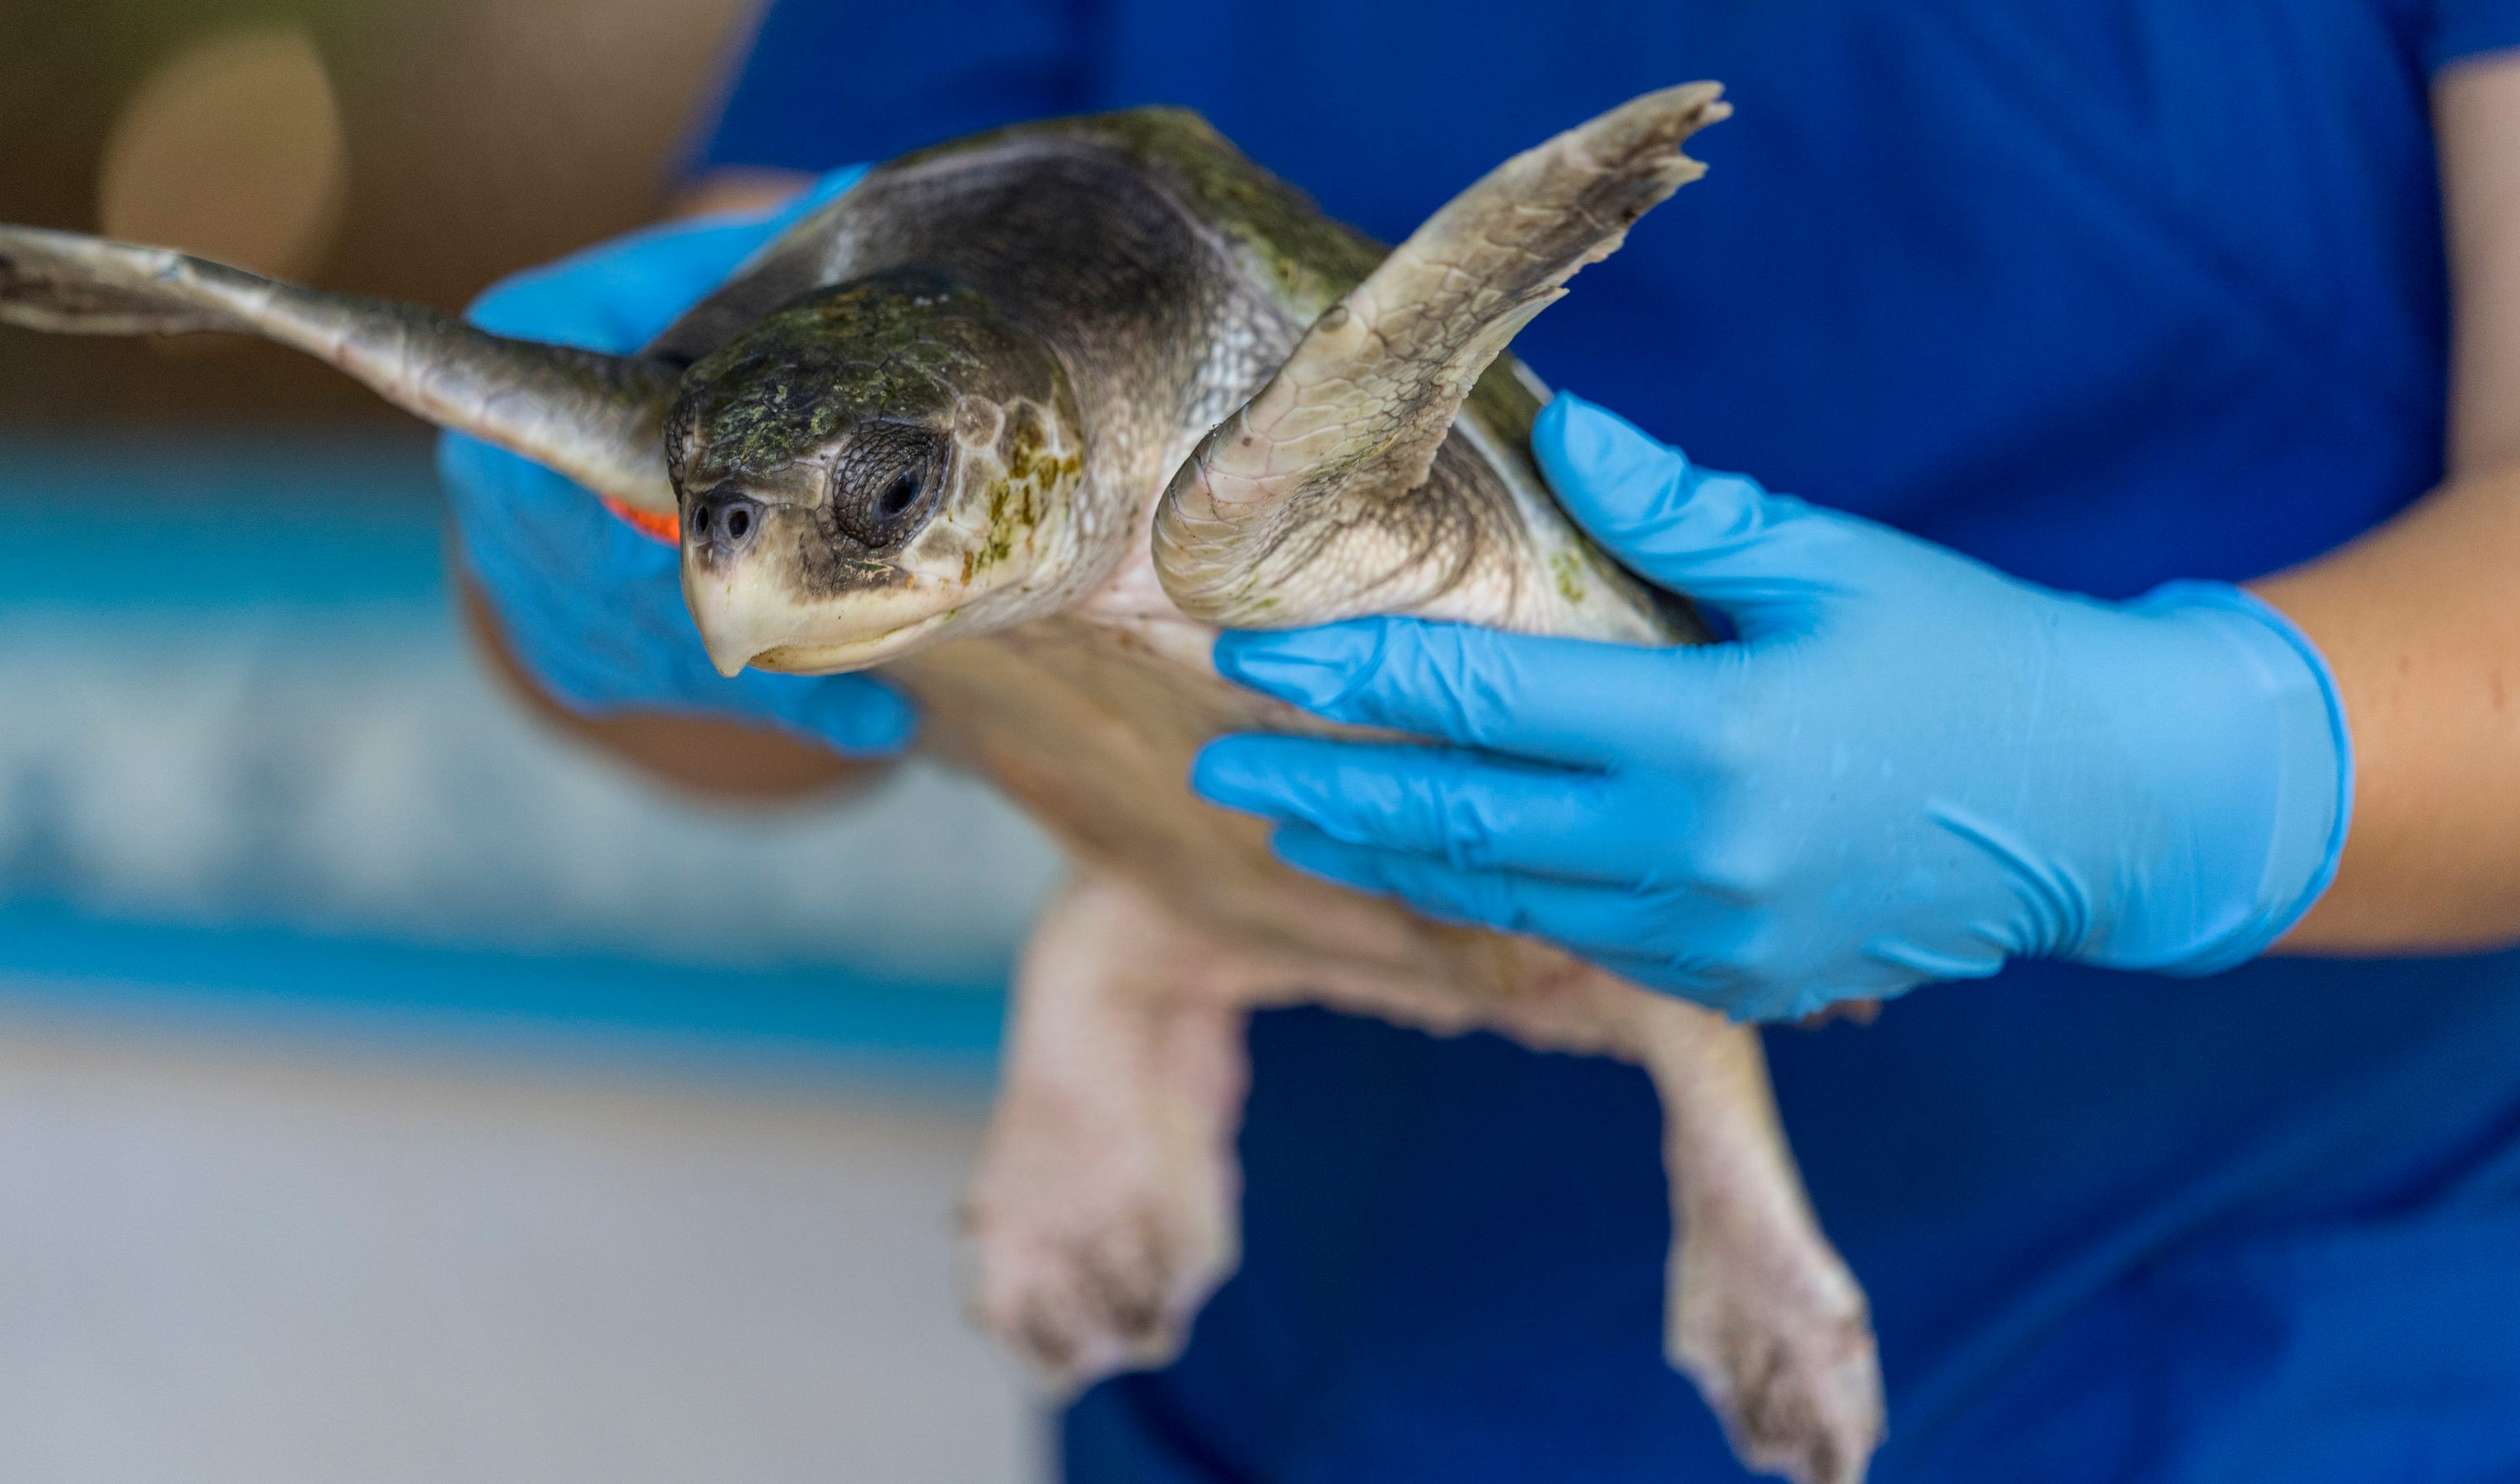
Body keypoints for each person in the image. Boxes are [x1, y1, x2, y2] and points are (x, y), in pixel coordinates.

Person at [441, 2, 2520, 1477]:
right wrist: (592, 544)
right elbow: (747, 564)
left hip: (2263, 1368)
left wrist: (2178, 765)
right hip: (1308, 1388)